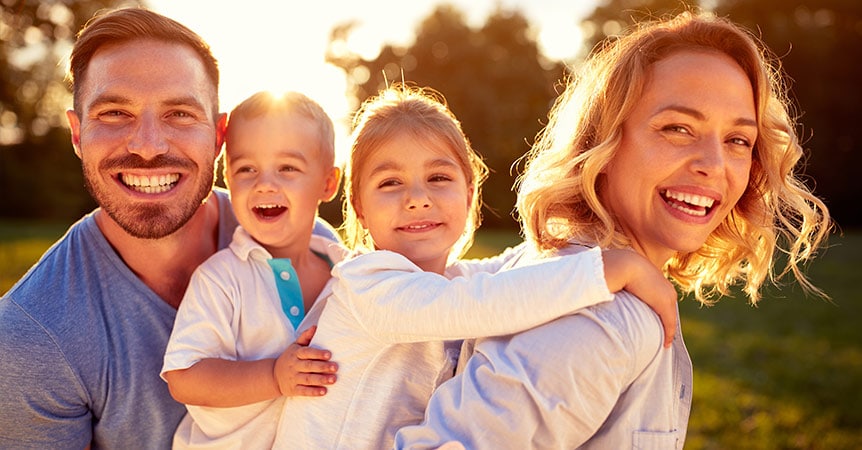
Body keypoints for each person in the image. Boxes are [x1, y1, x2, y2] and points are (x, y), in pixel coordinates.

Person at [395, 11, 832, 449]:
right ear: (602, 142)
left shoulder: (542, 270)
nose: (714, 166)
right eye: (678, 129)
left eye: (738, 140)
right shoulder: (601, 320)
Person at [273, 84, 680, 450]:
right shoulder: (368, 283)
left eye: (437, 177)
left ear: (469, 194)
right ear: (360, 209)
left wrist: (581, 240)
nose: (417, 197)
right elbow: (484, 302)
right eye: (390, 183)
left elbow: (508, 267)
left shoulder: (445, 281)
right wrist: (609, 269)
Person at [0, 8, 336, 449]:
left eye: (179, 113)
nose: (147, 147)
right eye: (115, 113)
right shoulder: (32, 337)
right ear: (78, 134)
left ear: (218, 136)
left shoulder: (299, 238)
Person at [160, 91, 345, 449]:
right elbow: (184, 377)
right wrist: (273, 376)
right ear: (227, 178)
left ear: (327, 183)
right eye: (247, 169)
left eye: (287, 168)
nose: (265, 184)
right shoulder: (223, 279)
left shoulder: (347, 273)